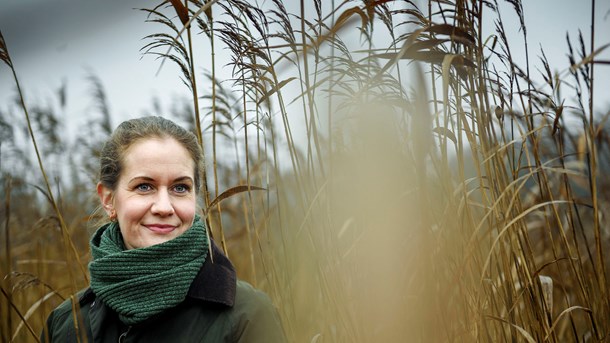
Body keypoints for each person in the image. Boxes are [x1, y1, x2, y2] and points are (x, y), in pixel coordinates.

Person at [41, 116, 286, 342]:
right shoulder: (66, 323)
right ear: (108, 199)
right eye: (144, 187)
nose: (164, 207)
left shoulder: (247, 316)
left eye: (180, 188)